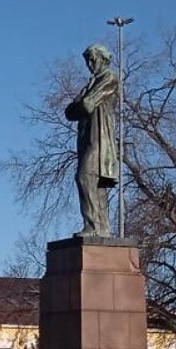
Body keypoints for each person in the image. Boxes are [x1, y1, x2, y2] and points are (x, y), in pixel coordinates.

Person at [64, 43, 119, 237]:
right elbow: (68, 112)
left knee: (85, 177)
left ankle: (93, 226)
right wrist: (77, 106)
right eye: (87, 60)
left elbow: (86, 105)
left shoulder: (109, 78)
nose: (89, 63)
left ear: (103, 59)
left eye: (92, 59)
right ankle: (102, 228)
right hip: (87, 135)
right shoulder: (91, 83)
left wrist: (77, 105)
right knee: (96, 183)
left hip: (100, 137)